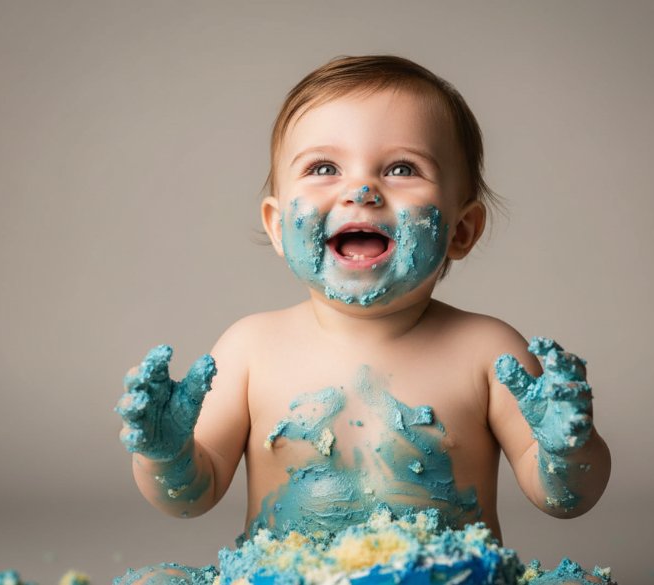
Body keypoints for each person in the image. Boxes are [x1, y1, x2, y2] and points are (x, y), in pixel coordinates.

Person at [114, 55, 612, 585]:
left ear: (462, 230)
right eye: (323, 168)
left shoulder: (487, 350)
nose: (362, 190)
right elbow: (191, 498)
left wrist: (566, 448)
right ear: (278, 226)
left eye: (402, 169)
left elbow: (564, 500)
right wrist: (165, 455)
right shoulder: (251, 348)